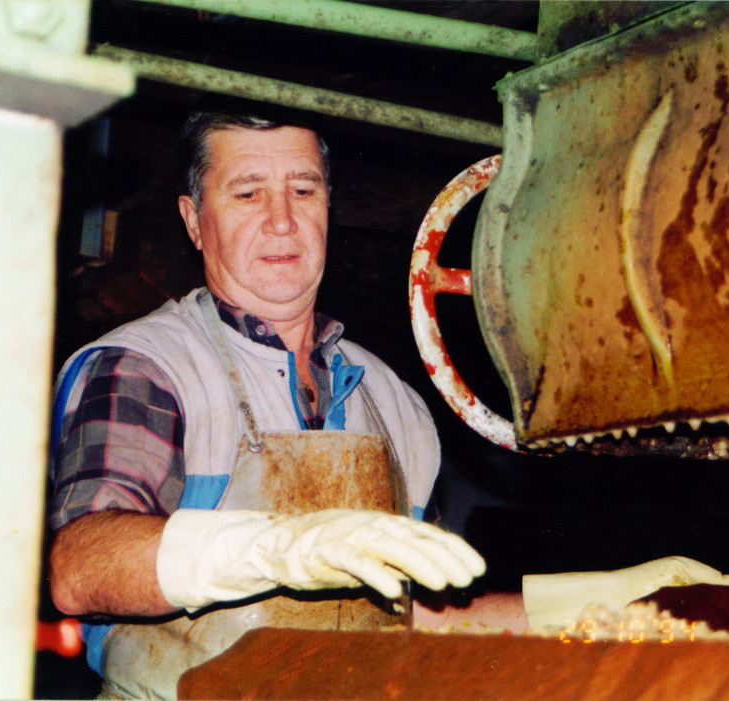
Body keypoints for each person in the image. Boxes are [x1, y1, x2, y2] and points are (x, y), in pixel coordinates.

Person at [45, 110, 488, 699]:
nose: (282, 221)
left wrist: (566, 608)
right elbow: (81, 565)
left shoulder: (394, 401)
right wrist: (278, 547)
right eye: (248, 193)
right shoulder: (145, 365)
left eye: (303, 191)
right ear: (194, 221)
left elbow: (416, 617)